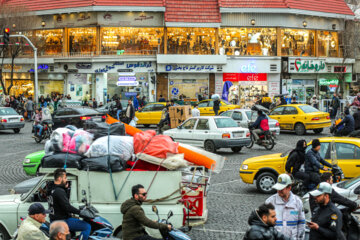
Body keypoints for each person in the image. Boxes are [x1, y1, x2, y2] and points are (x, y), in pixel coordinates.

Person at [49, 169, 91, 240]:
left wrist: (66, 188)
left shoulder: (53, 189)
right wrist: (80, 212)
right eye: (65, 178)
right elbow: (67, 207)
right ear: (60, 178)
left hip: (54, 219)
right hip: (61, 221)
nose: (66, 180)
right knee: (87, 226)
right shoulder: (59, 191)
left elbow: (61, 203)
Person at [265, 174, 305, 240]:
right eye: (278, 188)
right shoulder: (270, 202)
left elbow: (301, 223)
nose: (278, 191)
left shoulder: (298, 202)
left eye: (281, 189)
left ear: (289, 188)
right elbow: (265, 223)